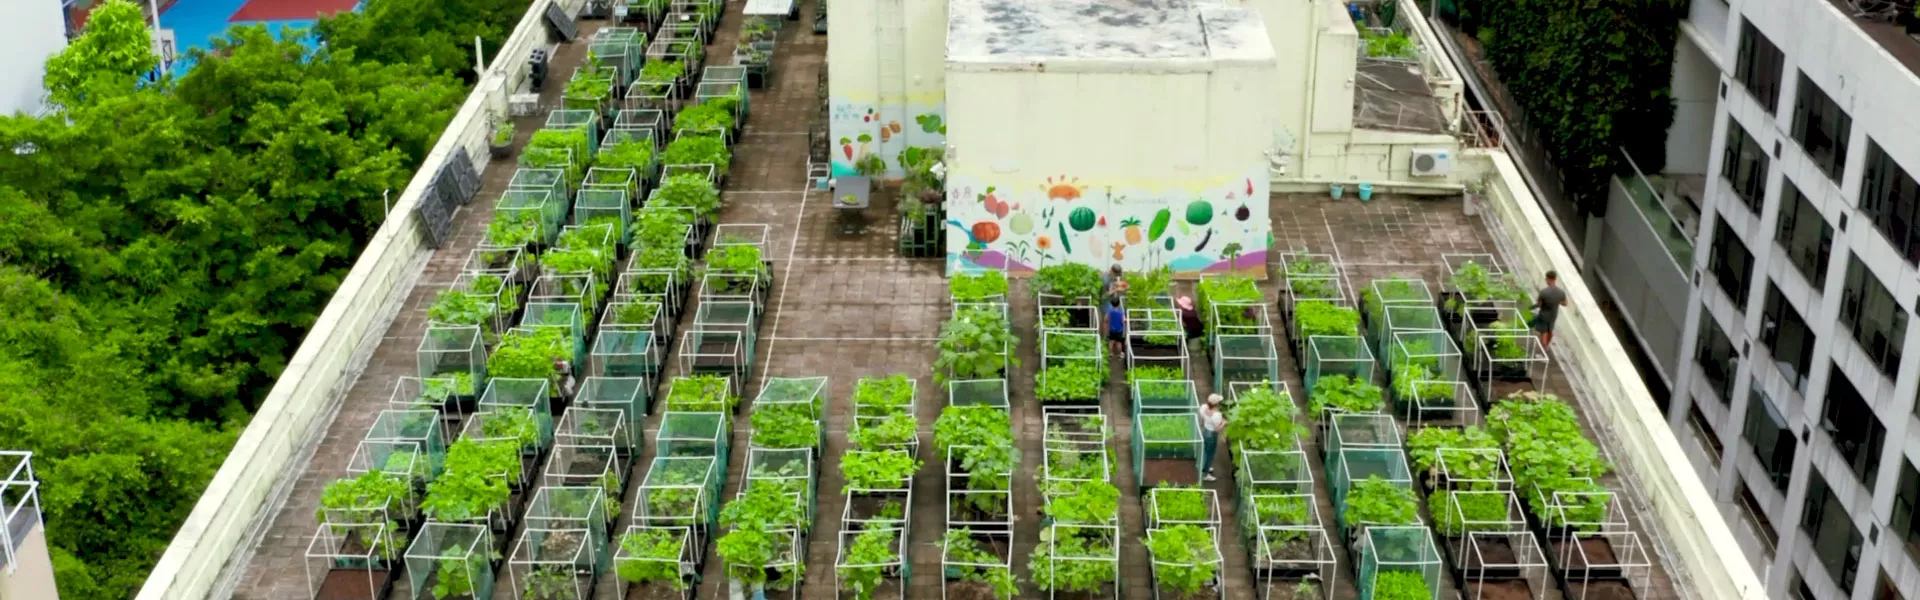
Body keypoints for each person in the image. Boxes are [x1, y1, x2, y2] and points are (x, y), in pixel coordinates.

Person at [1530, 270, 1569, 348]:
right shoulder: (1561, 292)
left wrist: (1532, 307)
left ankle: (1543, 348)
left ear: (1548, 279)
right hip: (1553, 316)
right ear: (1555, 279)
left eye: (1546, 279)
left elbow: (1539, 305)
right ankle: (1546, 345)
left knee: (1544, 333)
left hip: (1544, 316)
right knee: (1550, 330)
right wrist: (1557, 301)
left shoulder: (1544, 292)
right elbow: (1565, 303)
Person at [1200, 394, 1227, 481]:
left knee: (1205, 451)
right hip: (1211, 435)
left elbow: (1203, 418)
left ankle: (1206, 467)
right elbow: (1217, 428)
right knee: (1210, 454)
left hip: (1205, 431)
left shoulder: (1203, 408)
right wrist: (1224, 423)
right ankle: (1206, 473)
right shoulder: (1216, 415)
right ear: (1216, 404)